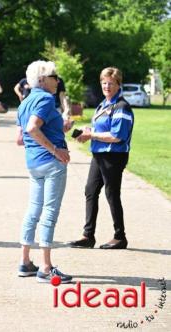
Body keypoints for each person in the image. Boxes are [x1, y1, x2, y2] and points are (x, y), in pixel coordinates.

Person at [16, 60, 72, 284]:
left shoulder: (25, 101)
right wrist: (56, 149)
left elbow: (23, 136)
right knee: (49, 212)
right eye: (53, 75)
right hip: (50, 162)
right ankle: (46, 267)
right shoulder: (46, 99)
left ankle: (25, 261)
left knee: (33, 210)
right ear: (41, 79)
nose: (57, 80)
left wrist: (60, 128)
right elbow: (32, 127)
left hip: (33, 163)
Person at [67, 67, 134, 250]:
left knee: (112, 194)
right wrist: (87, 132)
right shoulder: (104, 104)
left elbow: (117, 136)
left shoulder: (121, 106)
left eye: (111, 83)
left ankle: (120, 237)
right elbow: (100, 127)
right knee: (90, 190)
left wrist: (92, 135)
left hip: (114, 156)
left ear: (118, 84)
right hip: (99, 155)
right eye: (104, 82)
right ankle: (88, 236)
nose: (106, 86)